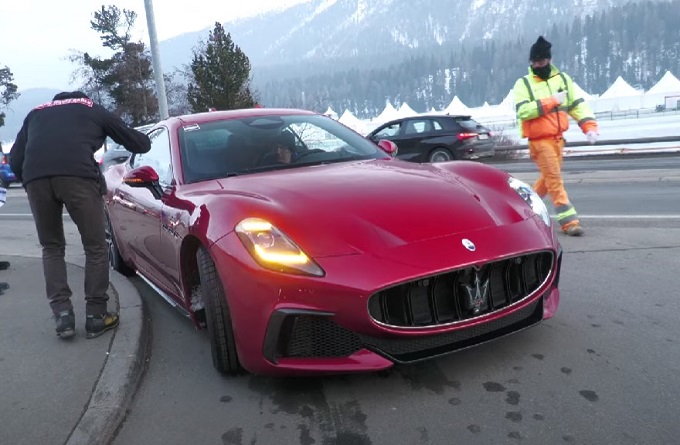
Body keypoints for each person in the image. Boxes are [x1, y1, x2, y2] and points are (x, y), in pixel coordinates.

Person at [9, 91, 151, 339]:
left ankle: (63, 316)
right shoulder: (91, 108)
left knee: (51, 248)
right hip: (78, 177)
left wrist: (32, 182)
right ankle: (96, 315)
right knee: (95, 247)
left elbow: (15, 160)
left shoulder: (35, 114)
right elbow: (139, 143)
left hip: (36, 180)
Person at [513, 36, 599, 236]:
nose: (537, 65)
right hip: (539, 141)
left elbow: (577, 104)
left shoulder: (563, 80)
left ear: (549, 61)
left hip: (558, 140)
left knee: (547, 180)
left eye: (541, 61)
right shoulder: (523, 84)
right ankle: (569, 222)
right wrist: (551, 101)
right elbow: (523, 111)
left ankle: (522, 209)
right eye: (534, 62)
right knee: (554, 179)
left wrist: (589, 126)